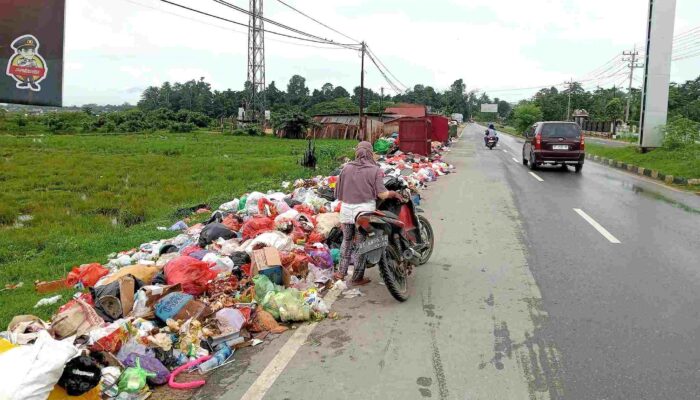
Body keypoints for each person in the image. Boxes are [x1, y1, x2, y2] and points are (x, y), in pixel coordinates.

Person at [334, 141, 403, 285]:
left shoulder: (346, 168)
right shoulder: (375, 170)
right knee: (360, 244)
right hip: (364, 213)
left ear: (357, 152)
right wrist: (393, 194)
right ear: (370, 153)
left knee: (346, 241)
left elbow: (337, 193)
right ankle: (357, 277)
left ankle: (341, 272)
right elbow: (382, 194)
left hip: (346, 210)